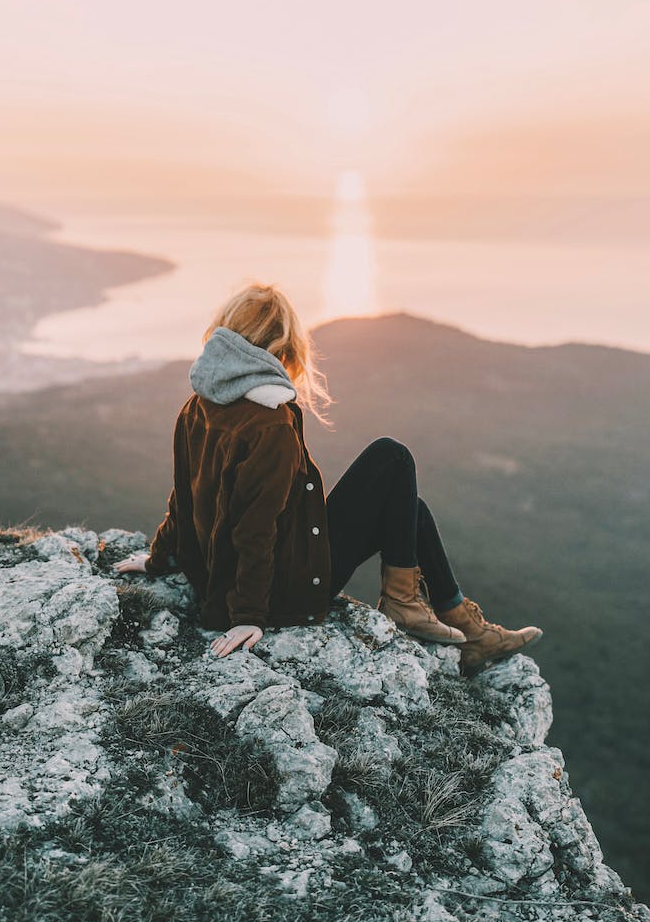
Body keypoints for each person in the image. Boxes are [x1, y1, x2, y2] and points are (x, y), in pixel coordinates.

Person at [114, 281, 542, 674]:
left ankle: (467, 630)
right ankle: (404, 604)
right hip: (286, 589)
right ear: (281, 348)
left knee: (408, 509)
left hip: (234, 574)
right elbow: (254, 528)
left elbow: (184, 496)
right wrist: (248, 616)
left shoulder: (197, 404)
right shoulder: (270, 423)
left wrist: (159, 556)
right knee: (391, 457)